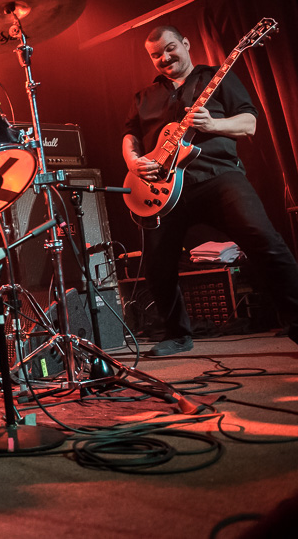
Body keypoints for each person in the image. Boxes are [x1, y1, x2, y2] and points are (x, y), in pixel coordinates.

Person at [122, 24, 298, 356]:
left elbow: (250, 123)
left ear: (186, 43)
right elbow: (130, 135)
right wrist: (133, 160)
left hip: (218, 175)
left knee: (265, 240)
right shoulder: (145, 96)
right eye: (156, 55)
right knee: (157, 263)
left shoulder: (218, 76)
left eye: (170, 48)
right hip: (163, 187)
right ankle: (175, 334)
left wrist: (213, 124)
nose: (165, 57)